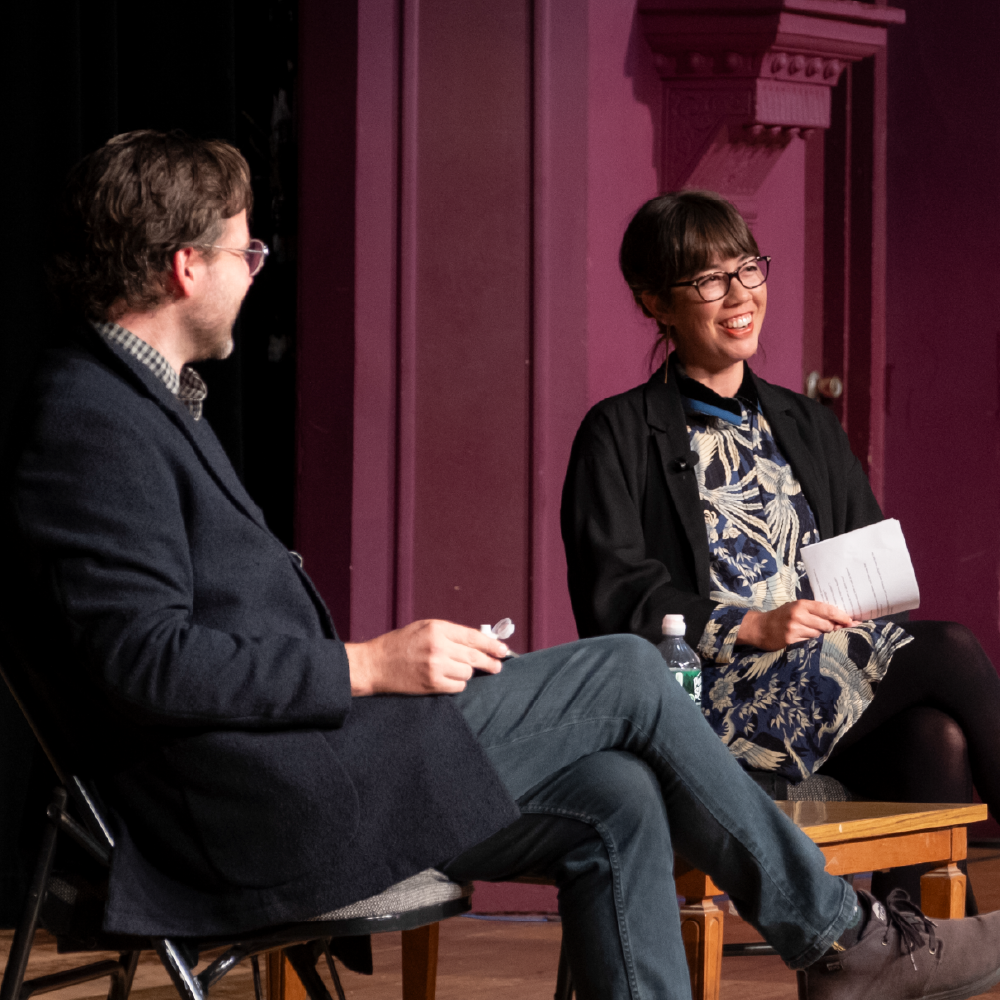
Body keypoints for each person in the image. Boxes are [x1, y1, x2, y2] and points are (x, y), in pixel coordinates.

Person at [3, 133, 1000, 1000]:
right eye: (244, 248)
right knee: (623, 666)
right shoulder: (91, 424)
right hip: (261, 814)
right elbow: (146, 663)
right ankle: (841, 938)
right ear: (185, 267)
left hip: (312, 766)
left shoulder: (139, 404)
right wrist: (369, 665)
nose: (255, 268)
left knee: (613, 793)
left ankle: (843, 942)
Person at [561, 189, 1000, 911]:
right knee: (948, 647)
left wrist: (855, 609)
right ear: (655, 304)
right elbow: (616, 597)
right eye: (708, 280)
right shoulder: (617, 434)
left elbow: (867, 561)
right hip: (713, 700)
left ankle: (908, 961)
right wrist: (751, 625)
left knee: (936, 737)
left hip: (829, 683)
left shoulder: (804, 422)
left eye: (747, 269)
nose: (739, 295)